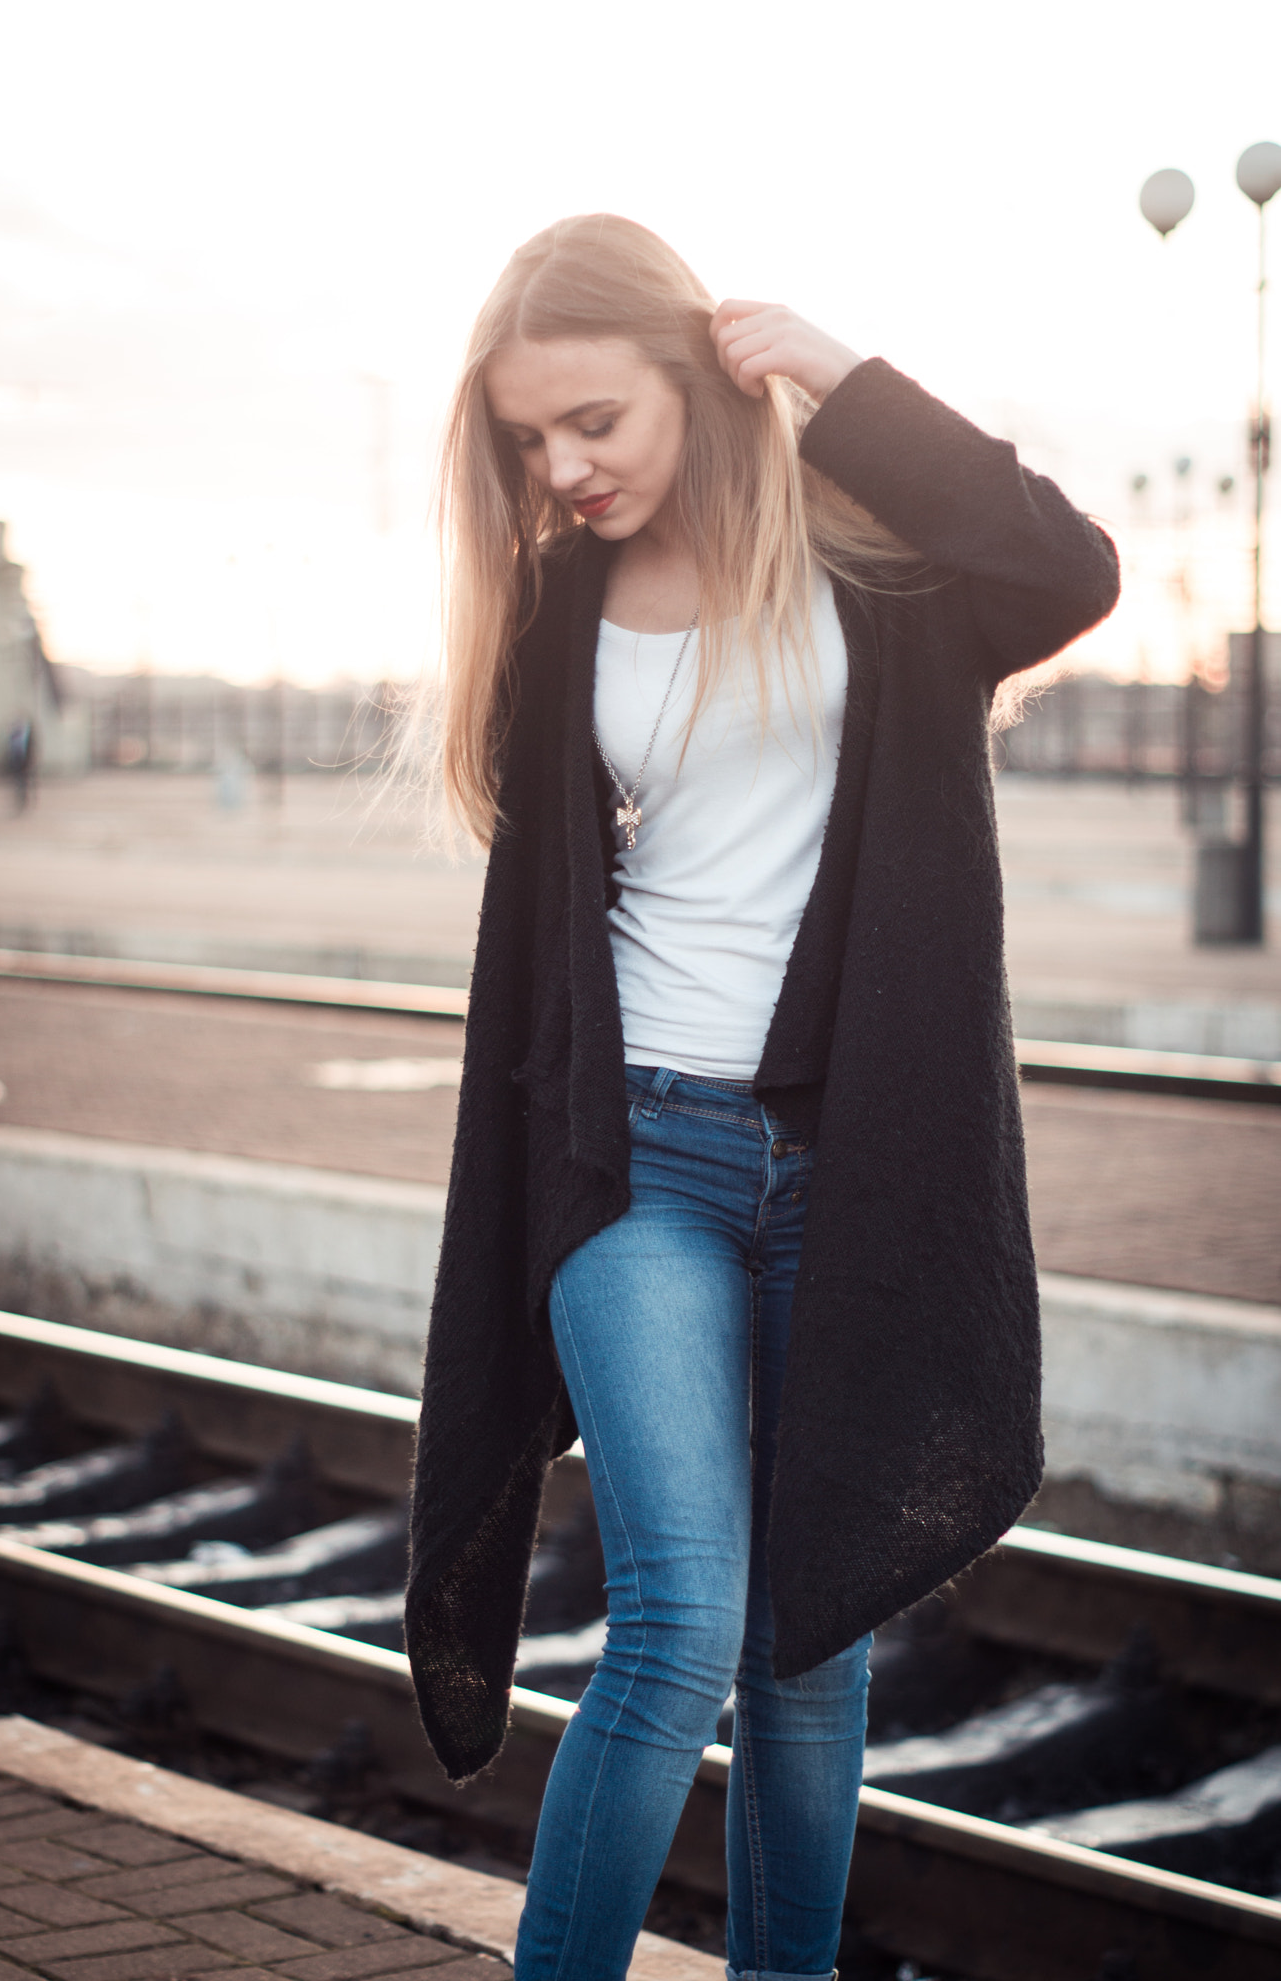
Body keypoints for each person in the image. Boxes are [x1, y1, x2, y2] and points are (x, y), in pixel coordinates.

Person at [405, 214, 1119, 1981]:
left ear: (697, 380)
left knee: (811, 1640)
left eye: (591, 423)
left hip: (844, 1160)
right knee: (677, 1617)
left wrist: (844, 379)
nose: (560, 468)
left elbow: (1070, 566)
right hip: (630, 1149)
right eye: (527, 440)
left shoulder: (880, 569)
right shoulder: (564, 603)